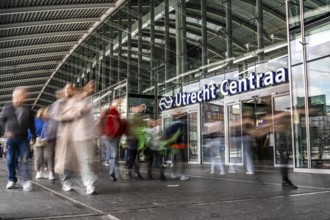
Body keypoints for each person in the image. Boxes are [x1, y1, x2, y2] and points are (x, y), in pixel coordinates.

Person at [0, 86, 36, 191]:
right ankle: (12, 179)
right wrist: (5, 132)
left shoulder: (27, 109)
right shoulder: (7, 107)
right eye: (21, 96)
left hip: (23, 139)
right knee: (10, 160)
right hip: (11, 140)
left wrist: (34, 135)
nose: (23, 98)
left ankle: (26, 181)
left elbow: (31, 123)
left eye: (25, 96)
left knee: (25, 160)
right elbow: (2, 121)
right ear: (14, 96)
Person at [97, 99, 123, 181]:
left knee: (113, 155)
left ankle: (113, 172)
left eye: (120, 103)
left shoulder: (116, 112)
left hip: (114, 136)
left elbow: (119, 124)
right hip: (109, 136)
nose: (119, 105)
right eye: (118, 103)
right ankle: (114, 173)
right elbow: (100, 122)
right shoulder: (108, 111)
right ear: (114, 103)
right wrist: (103, 133)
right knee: (113, 155)